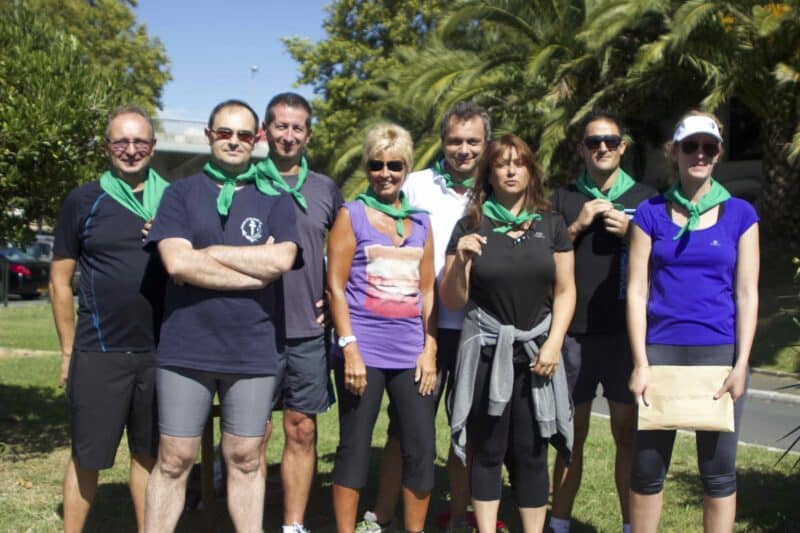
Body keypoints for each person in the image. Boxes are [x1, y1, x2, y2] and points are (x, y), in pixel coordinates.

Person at [143, 99, 301, 533]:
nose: (234, 141)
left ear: (258, 140)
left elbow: (283, 259)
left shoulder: (277, 199)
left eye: (244, 134)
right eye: (225, 133)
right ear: (209, 135)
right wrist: (253, 273)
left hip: (251, 347)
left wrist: (209, 255)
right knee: (174, 458)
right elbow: (177, 264)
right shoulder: (180, 193)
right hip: (186, 345)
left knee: (246, 458)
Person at [626, 111, 759, 532]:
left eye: (708, 147)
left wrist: (741, 364)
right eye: (690, 146)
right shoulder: (649, 213)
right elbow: (636, 291)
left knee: (719, 473)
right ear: (674, 153)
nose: (699, 154)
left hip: (720, 353)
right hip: (660, 351)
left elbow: (747, 293)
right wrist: (640, 363)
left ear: (718, 153)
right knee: (647, 470)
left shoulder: (741, 214)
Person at [366, 101, 490, 532]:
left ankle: (458, 516)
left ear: (485, 143)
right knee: (404, 429)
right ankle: (381, 515)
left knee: (466, 431)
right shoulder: (414, 185)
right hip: (420, 328)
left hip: (479, 326)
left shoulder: (497, 188)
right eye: (455, 140)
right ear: (442, 142)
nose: (463, 150)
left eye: (473, 141)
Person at [442, 134, 576, 533]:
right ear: (490, 173)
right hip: (486, 353)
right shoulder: (470, 225)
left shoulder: (551, 224)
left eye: (519, 162)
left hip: (538, 354)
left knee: (532, 451)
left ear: (531, 171)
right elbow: (452, 299)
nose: (511, 170)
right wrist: (460, 261)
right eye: (502, 164)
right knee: (487, 450)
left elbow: (567, 290)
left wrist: (553, 344)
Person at [50, 105, 167, 533]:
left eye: (139, 142)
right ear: (106, 147)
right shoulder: (83, 200)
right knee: (88, 456)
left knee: (149, 456)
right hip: (99, 351)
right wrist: (67, 351)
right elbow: (59, 282)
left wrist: (166, 235)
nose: (131, 150)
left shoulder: (172, 200)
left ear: (152, 148)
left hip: (161, 353)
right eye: (121, 141)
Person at [549, 111, 657, 533]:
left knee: (626, 436)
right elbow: (542, 257)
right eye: (594, 142)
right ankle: (558, 524)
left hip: (624, 338)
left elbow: (666, 263)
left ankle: (631, 525)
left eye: (610, 141)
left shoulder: (648, 200)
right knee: (568, 440)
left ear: (623, 147)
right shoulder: (563, 199)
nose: (602, 148)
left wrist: (633, 232)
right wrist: (575, 226)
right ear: (581, 149)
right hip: (573, 336)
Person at [326, 123, 437, 533]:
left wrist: (430, 348)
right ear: (367, 166)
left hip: (412, 352)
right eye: (376, 165)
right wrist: (349, 347)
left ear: (406, 167)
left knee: (421, 447)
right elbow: (336, 287)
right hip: (363, 352)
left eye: (394, 164)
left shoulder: (421, 222)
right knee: (354, 448)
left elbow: (428, 290)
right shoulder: (350, 215)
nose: (385, 173)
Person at [256, 92, 343, 533]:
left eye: (297, 128)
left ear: (308, 134)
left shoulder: (326, 189)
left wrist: (335, 294)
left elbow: (347, 254)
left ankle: (293, 525)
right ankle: (248, 518)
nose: (288, 135)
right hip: (252, 329)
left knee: (301, 429)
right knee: (254, 434)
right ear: (265, 131)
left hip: (308, 330)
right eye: (280, 126)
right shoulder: (244, 182)